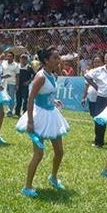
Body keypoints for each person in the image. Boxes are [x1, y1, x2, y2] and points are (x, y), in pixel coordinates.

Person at [15, 46, 70, 197]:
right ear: (46, 60)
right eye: (55, 58)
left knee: (59, 151)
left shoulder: (52, 75)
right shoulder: (40, 76)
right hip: (39, 116)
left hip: (52, 115)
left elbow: (46, 93)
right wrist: (30, 121)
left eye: (58, 57)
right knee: (38, 153)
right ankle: (27, 187)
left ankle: (53, 177)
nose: (58, 60)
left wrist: (54, 101)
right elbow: (31, 98)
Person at [86, 52, 107, 148]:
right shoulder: (98, 70)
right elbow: (87, 76)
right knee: (100, 120)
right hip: (101, 98)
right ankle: (99, 142)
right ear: (104, 59)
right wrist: (96, 86)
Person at [81, 56, 103, 120]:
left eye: (99, 62)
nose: (97, 64)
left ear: (102, 63)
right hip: (92, 98)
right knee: (94, 115)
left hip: (102, 98)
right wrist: (83, 98)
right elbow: (86, 86)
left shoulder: (104, 72)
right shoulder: (91, 72)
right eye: (95, 62)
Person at [1, 51, 19, 117]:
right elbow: (1, 72)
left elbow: (17, 75)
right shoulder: (3, 63)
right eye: (8, 56)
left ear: (13, 57)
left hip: (12, 82)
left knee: (11, 97)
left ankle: (10, 111)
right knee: (3, 96)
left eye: (10, 56)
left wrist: (17, 84)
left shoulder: (16, 65)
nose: (9, 57)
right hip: (3, 82)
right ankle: (2, 110)